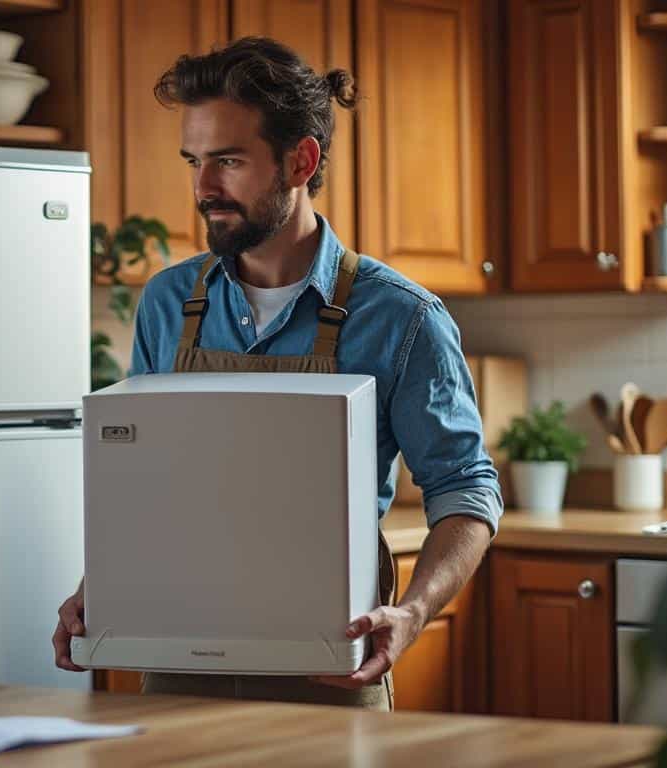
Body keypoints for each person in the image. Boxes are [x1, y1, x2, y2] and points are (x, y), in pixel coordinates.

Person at [51, 37, 502, 711]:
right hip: (176, 664)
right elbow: (145, 488)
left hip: (330, 671)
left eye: (227, 161)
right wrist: (100, 591)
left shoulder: (400, 317)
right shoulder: (168, 302)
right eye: (195, 161)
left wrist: (410, 614)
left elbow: (467, 491)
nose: (203, 188)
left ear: (301, 160)